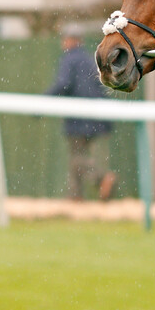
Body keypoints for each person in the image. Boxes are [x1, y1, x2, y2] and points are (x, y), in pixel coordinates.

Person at [46, 24, 116, 200]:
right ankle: (75, 196)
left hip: (79, 118)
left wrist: (44, 100)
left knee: (77, 158)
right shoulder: (90, 59)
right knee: (79, 156)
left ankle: (101, 178)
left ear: (70, 41)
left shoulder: (69, 59)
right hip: (96, 117)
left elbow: (64, 84)